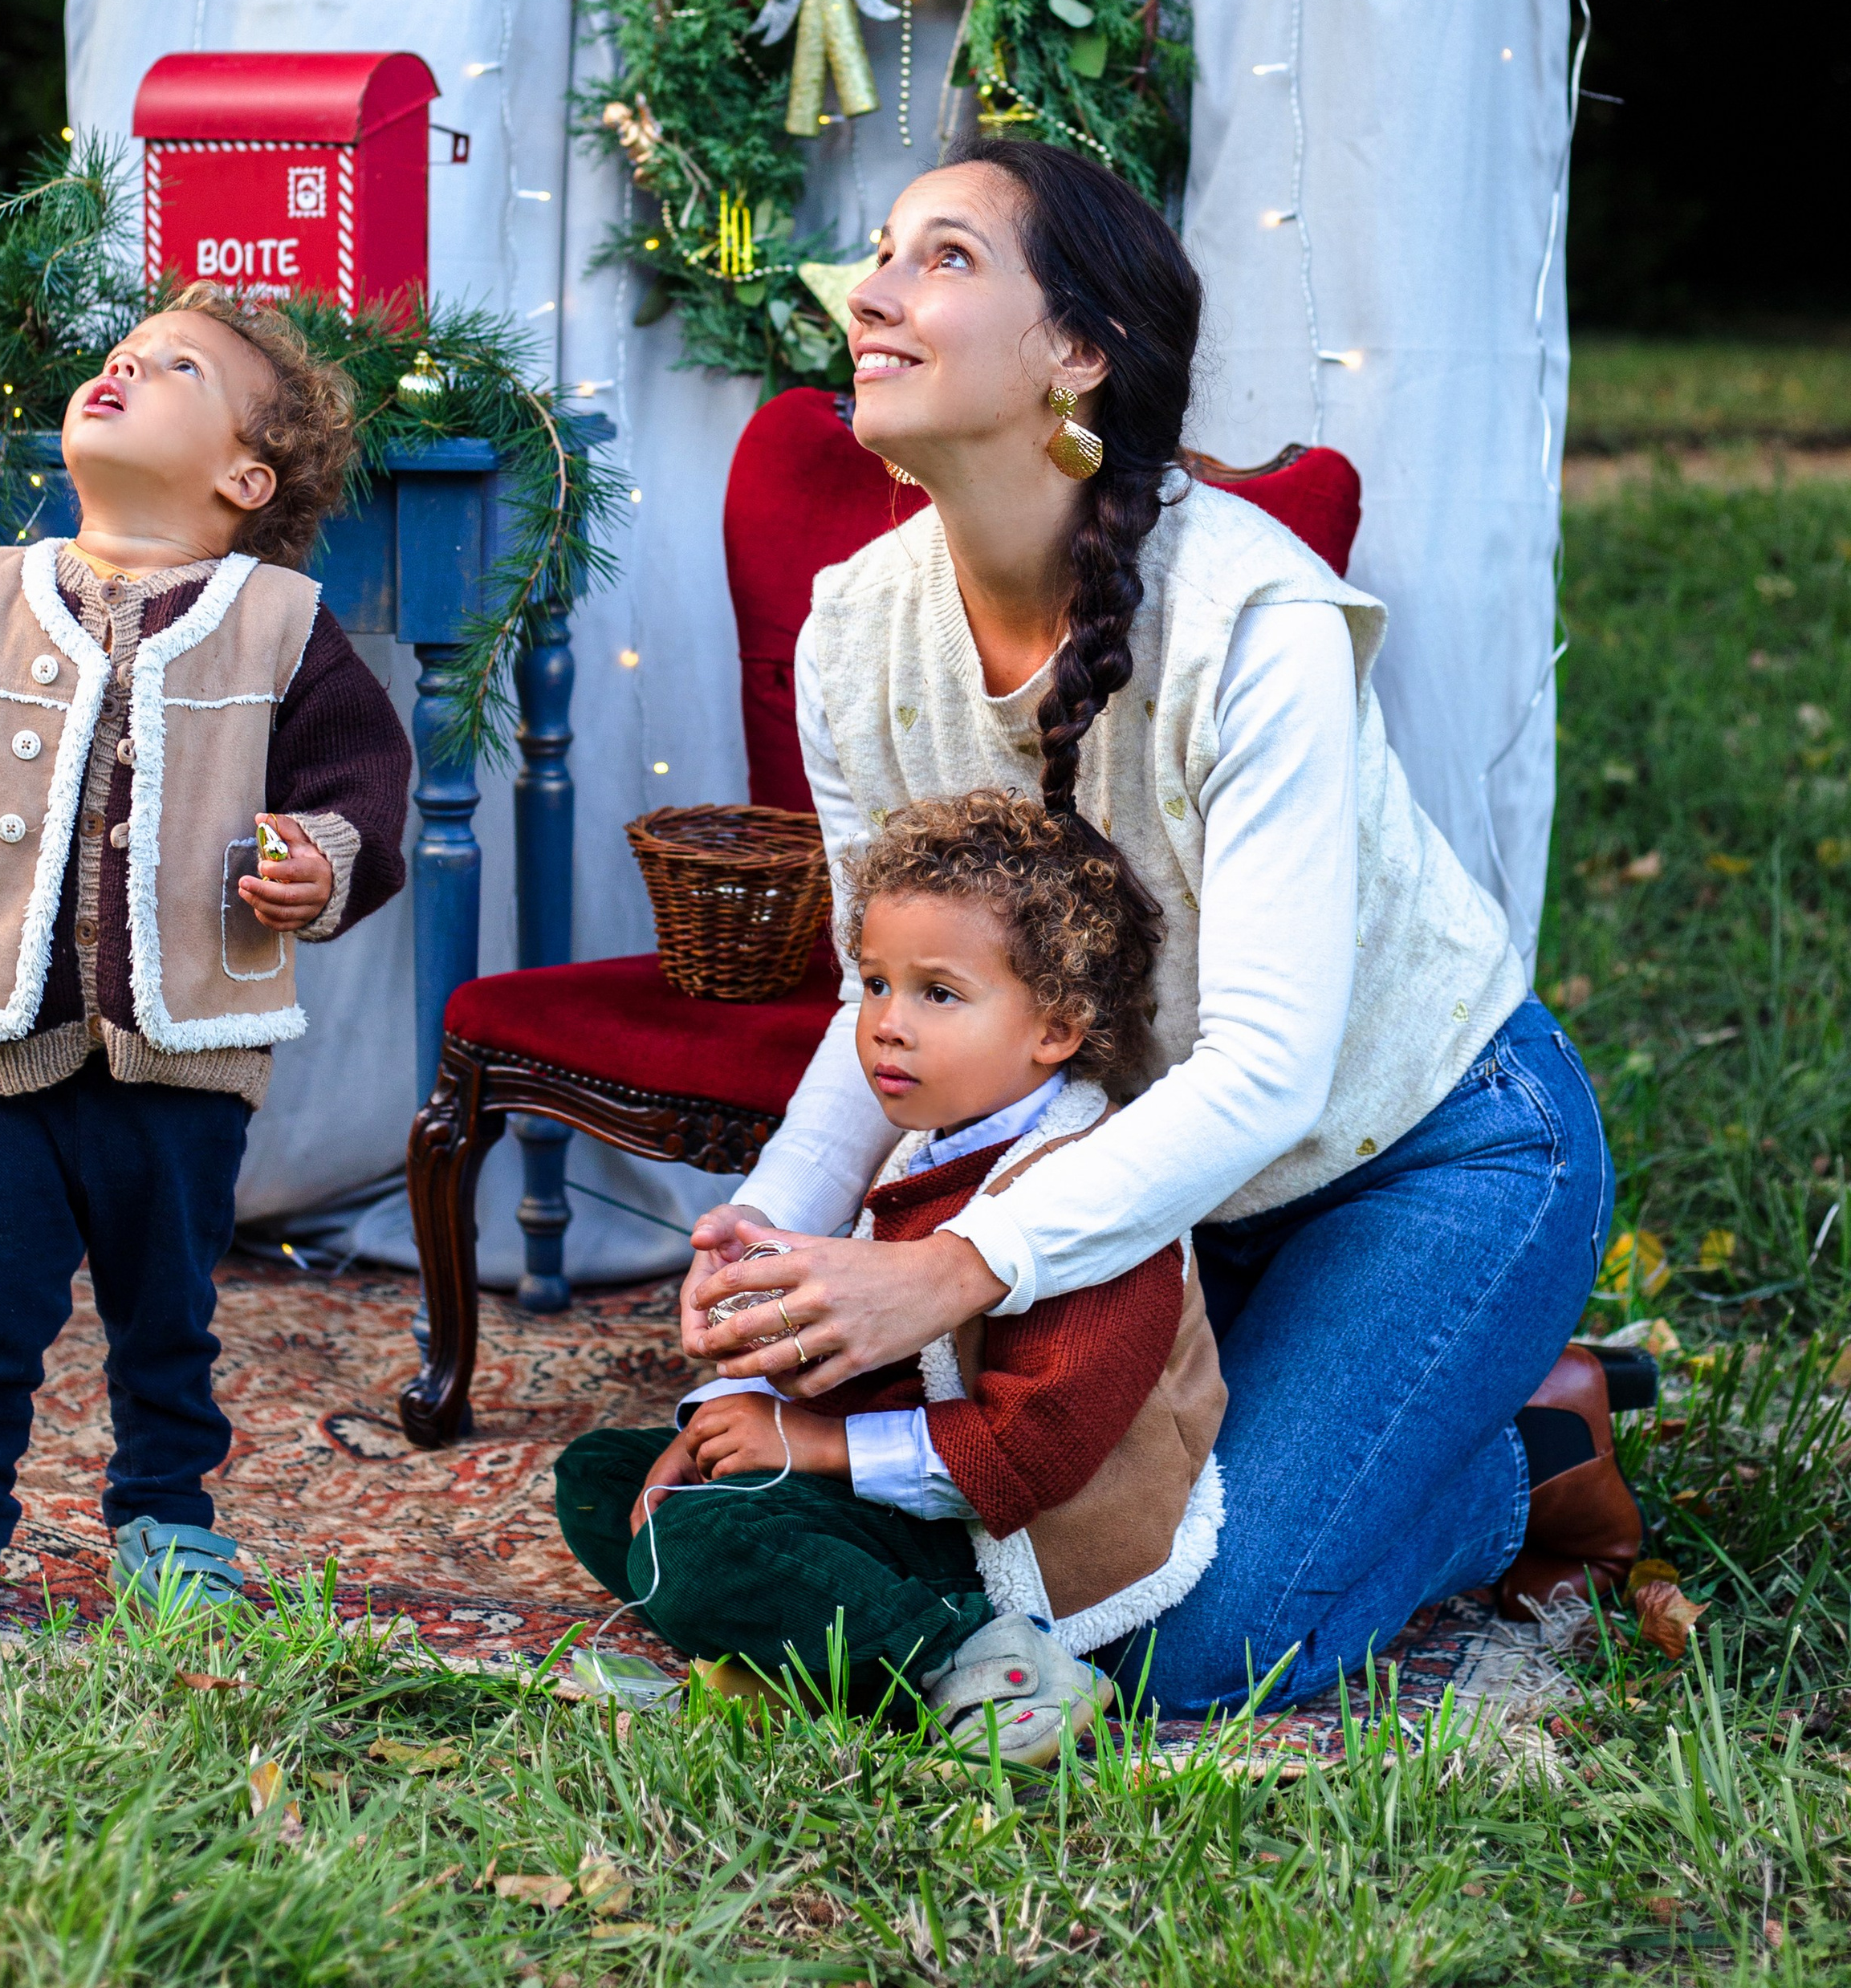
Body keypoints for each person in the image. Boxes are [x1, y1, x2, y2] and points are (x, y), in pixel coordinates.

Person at [677, 142, 1640, 1713]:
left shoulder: (1250, 620)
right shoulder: (853, 628)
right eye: (877, 255)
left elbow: (1265, 1069)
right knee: (972, 1545)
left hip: (1422, 1154)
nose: (870, 292)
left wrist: (958, 1272)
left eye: (942, 257)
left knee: (1191, 1636)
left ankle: (1531, 1454)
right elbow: (885, 1009)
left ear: (1077, 351)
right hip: (1138, 1198)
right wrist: (770, 1263)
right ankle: (1376, 1402)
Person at [0, 286, 413, 1639]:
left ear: (243, 475)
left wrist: (319, 857)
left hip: (182, 1050)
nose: (124, 369)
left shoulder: (279, 624)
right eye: (121, 355)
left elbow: (363, 784)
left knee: (168, 1315)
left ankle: (167, 1514)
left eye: (175, 368)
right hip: (2, 1038)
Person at [555, 791, 1227, 1759]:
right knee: (600, 1480)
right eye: (874, 984)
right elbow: (855, 1351)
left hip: (1018, 1539)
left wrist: (808, 1447)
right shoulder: (928, 1145)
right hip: (912, 1481)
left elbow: (1033, 1456)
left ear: (1059, 1026)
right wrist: (725, 1421)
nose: (885, 1026)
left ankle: (983, 1660)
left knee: (696, 1549)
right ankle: (803, 1652)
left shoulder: (1090, 1192)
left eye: (937, 993)